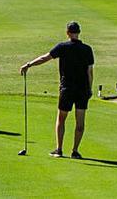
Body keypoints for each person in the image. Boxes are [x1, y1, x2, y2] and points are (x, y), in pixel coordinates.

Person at [19, 21, 94, 159]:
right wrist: (90, 89)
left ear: (67, 32)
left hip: (67, 89)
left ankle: (59, 149)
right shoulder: (87, 49)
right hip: (82, 90)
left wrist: (28, 65)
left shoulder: (62, 47)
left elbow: (45, 58)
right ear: (79, 32)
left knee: (61, 119)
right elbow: (90, 72)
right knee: (80, 123)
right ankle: (75, 151)